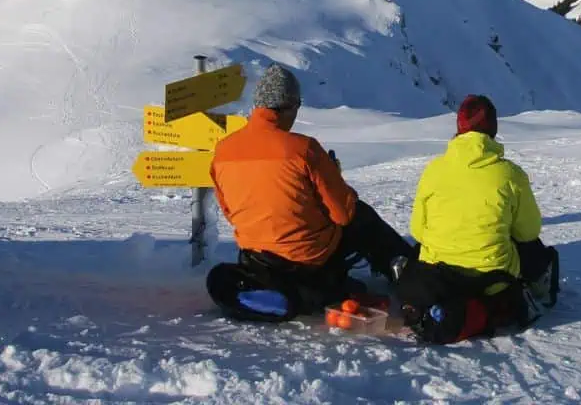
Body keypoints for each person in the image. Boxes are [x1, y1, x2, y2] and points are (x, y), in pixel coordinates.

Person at [205, 64, 413, 322]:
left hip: (257, 257)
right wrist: (335, 180)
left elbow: (230, 213)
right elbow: (343, 214)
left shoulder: (223, 151)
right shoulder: (304, 149)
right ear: (289, 105)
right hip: (309, 258)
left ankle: (275, 294)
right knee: (362, 216)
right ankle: (408, 274)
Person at [395, 94, 559, 344]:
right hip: (492, 282)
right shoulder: (510, 174)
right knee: (529, 246)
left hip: (438, 278)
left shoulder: (434, 171)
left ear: (459, 129)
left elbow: (418, 230)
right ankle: (535, 289)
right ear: (493, 129)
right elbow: (529, 232)